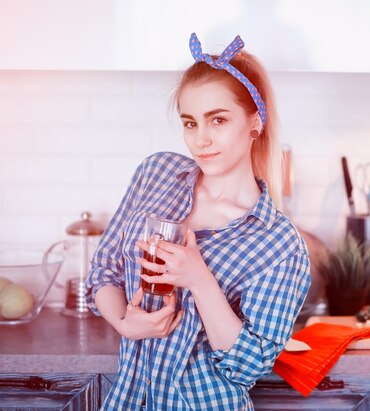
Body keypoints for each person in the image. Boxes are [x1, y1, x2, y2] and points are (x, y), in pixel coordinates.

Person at [85, 33, 311, 410]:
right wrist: (124, 322)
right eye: (190, 123)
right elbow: (104, 271)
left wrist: (198, 278)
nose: (201, 140)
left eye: (217, 120)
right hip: (127, 400)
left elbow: (248, 365)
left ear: (255, 121)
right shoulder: (157, 173)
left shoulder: (279, 242)